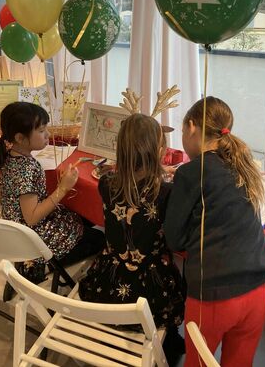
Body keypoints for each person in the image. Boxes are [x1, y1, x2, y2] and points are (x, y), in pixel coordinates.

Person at [164, 96, 265, 366]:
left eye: (182, 131)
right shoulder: (244, 164)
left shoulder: (190, 172)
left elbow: (175, 238)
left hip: (215, 294)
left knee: (199, 363)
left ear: (192, 127)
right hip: (258, 288)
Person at [78, 113, 185, 364]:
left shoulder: (106, 183)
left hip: (108, 279)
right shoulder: (167, 192)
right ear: (159, 152)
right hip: (152, 288)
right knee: (178, 284)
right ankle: (169, 342)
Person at [0, 102, 105, 284]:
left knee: (82, 220)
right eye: (41, 131)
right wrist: (63, 188)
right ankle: (39, 267)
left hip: (17, 229)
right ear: (20, 138)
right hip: (30, 235)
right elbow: (32, 218)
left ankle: (38, 263)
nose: (47, 134)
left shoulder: (11, 156)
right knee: (99, 238)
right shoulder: (26, 169)